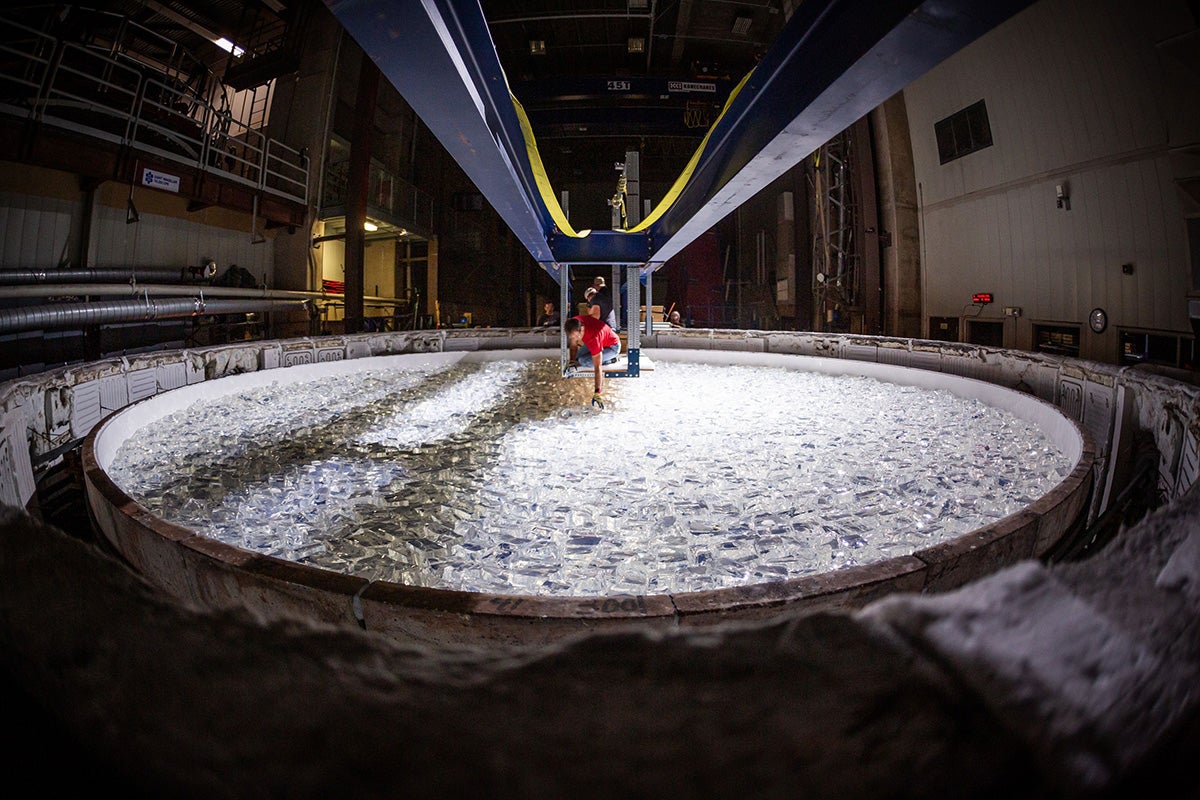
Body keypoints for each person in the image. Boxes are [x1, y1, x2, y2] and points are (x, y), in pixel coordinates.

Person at [564, 314, 620, 408]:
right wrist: (572, 361)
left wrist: (597, 393)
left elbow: (597, 368)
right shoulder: (574, 323)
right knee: (577, 357)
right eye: (573, 337)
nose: (576, 339)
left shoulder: (594, 338)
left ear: (582, 329)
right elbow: (573, 345)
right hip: (601, 339)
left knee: (583, 361)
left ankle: (611, 359)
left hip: (612, 347)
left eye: (577, 336)